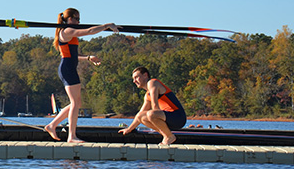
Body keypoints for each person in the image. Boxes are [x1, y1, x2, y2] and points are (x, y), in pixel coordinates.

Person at [43, 8, 118, 143]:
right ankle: (71, 136)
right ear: (68, 19)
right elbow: (89, 31)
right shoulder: (67, 31)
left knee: (76, 103)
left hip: (69, 68)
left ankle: (52, 125)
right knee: (75, 103)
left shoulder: (68, 33)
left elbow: (73, 56)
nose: (78, 22)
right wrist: (107, 25)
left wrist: (88, 57)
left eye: (79, 19)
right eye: (76, 19)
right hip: (67, 69)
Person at [118, 66, 187, 145]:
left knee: (151, 114)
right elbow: (139, 115)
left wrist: (152, 116)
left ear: (145, 75)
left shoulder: (153, 83)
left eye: (136, 77)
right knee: (142, 117)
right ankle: (167, 135)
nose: (134, 81)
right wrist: (129, 129)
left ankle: (169, 137)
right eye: (133, 79)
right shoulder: (147, 95)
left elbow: (155, 106)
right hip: (166, 119)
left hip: (178, 117)